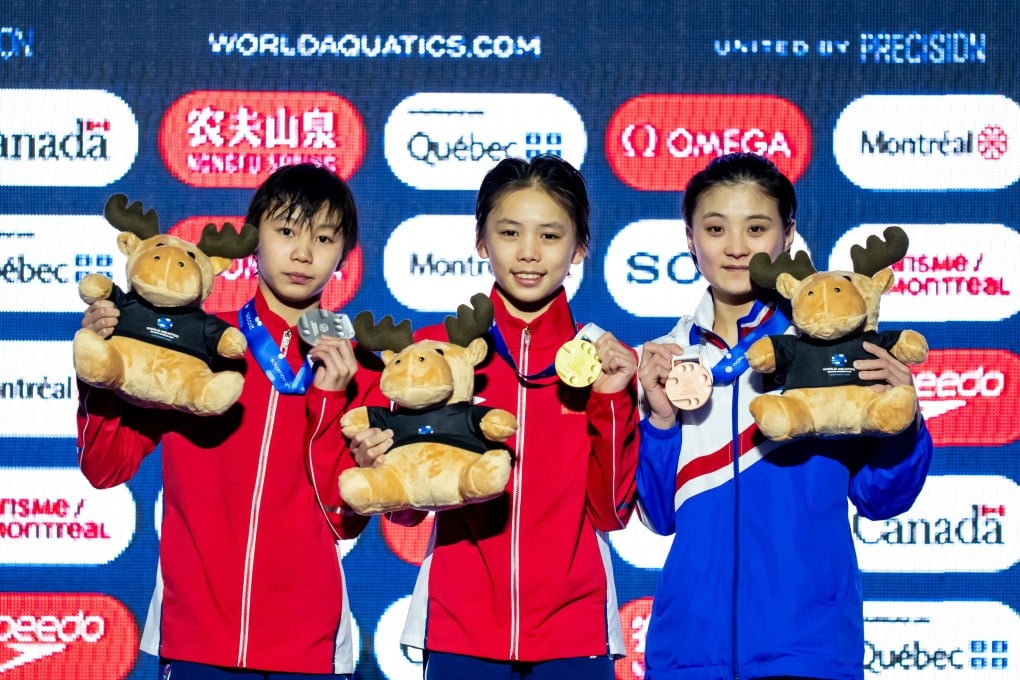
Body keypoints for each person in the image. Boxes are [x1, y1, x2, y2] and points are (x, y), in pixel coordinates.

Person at [335, 154, 640, 679]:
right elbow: (408, 514)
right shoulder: (436, 359)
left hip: (574, 633)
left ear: (580, 247)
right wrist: (387, 473)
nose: (528, 253)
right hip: (459, 631)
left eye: (549, 236)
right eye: (508, 232)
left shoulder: (601, 359)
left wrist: (612, 400)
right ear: (481, 242)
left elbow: (610, 511)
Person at [635, 152, 933, 680]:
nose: (735, 246)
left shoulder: (832, 349)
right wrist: (658, 423)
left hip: (809, 650)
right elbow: (660, 516)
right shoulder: (667, 356)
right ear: (689, 238)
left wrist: (901, 421)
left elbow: (879, 497)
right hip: (688, 653)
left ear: (788, 234)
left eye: (756, 227)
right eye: (714, 227)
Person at [76, 163, 374, 679]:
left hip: (307, 646)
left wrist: (327, 401)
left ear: (343, 257)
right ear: (254, 239)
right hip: (195, 640)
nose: (303, 253)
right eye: (285, 232)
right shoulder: (196, 343)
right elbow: (105, 468)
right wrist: (102, 378)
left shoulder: (358, 368)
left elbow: (343, 519)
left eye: (324, 239)